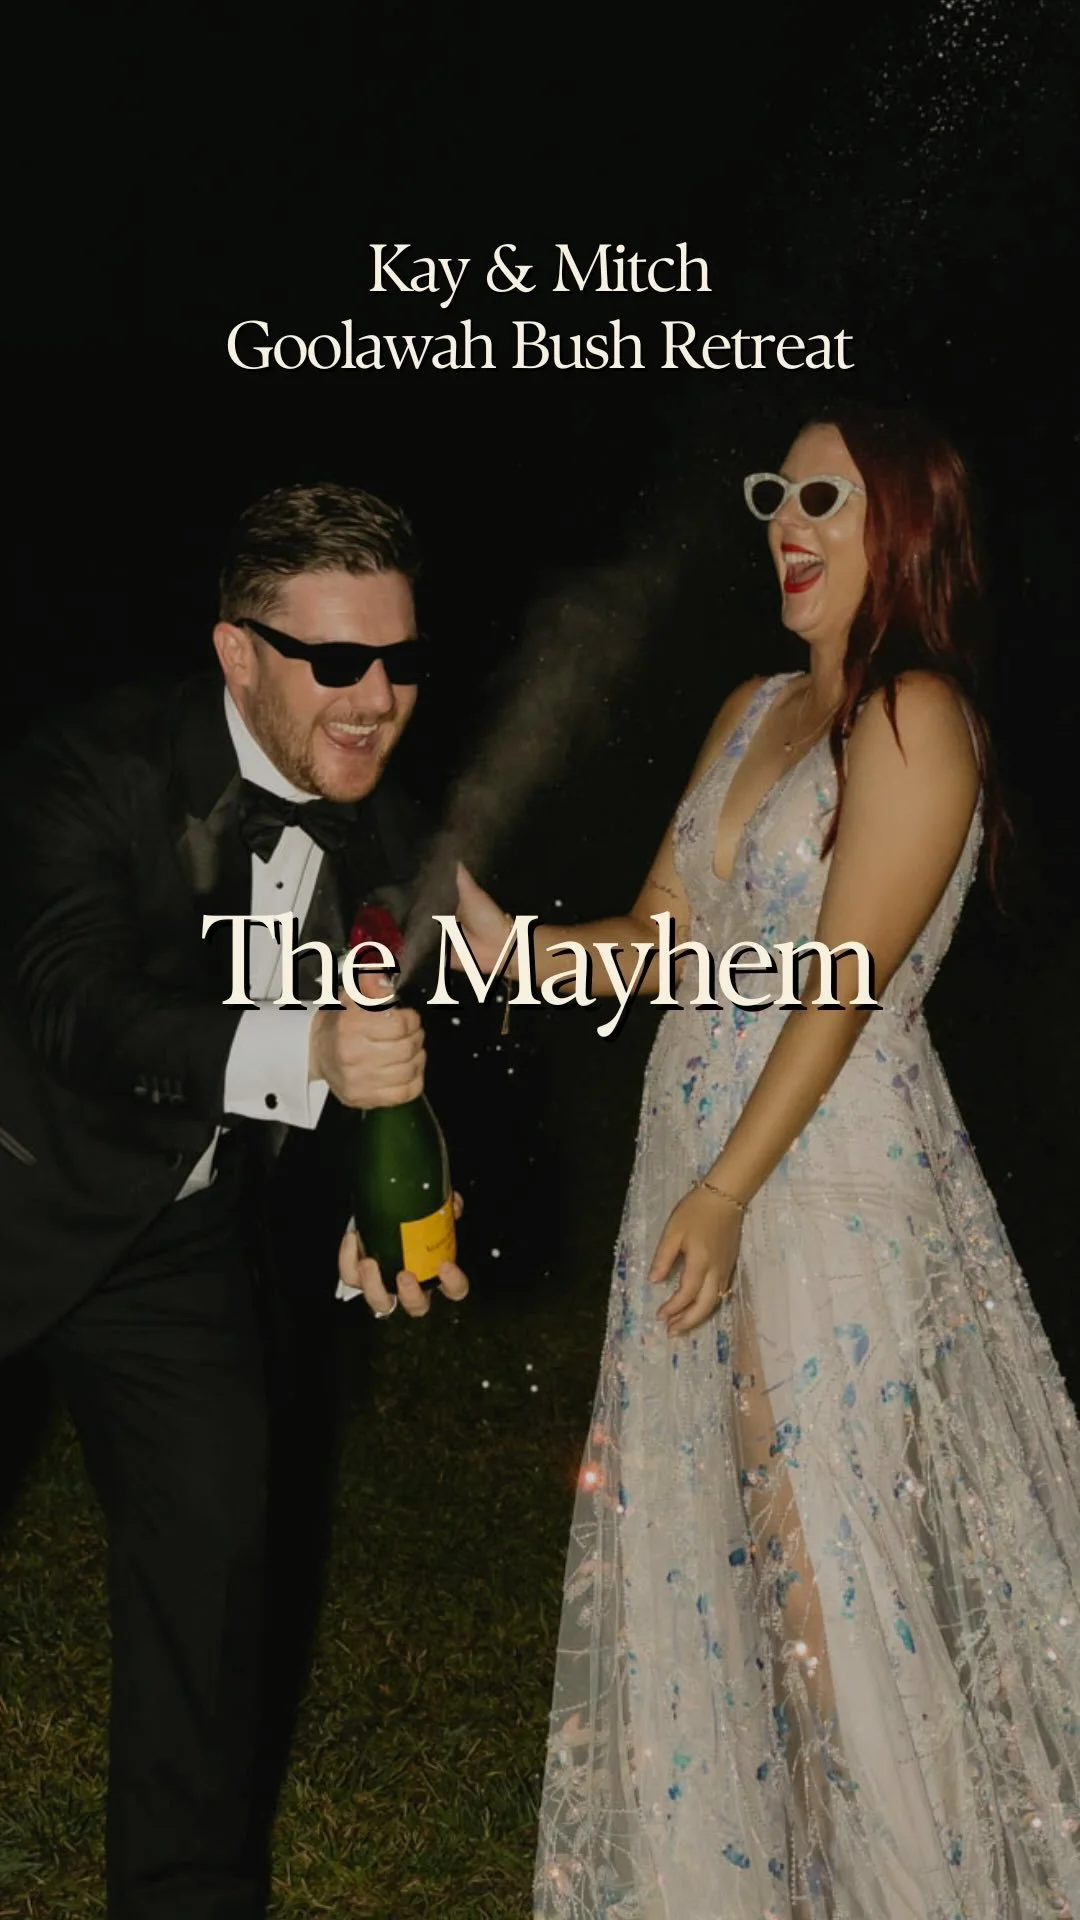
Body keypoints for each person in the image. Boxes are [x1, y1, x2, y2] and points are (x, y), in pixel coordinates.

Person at [456, 409, 1080, 1918]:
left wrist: (730, 1189)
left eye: (823, 497)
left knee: (840, 1596)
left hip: (824, 1176)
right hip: (706, 1166)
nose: (785, 524)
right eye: (775, 496)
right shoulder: (753, 711)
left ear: (905, 523)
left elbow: (841, 986)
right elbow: (666, 937)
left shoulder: (916, 716)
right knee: (753, 1584)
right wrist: (509, 946)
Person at [0, 481, 468, 1920]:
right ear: (236, 652)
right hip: (14, 1189)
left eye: (397, 658)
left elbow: (375, 1020)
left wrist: (366, 1190)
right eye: (337, 660)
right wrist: (309, 1051)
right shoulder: (86, 769)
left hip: (178, 1245)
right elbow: (76, 1009)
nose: (376, 697)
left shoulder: (376, 817)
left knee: (212, 1588)